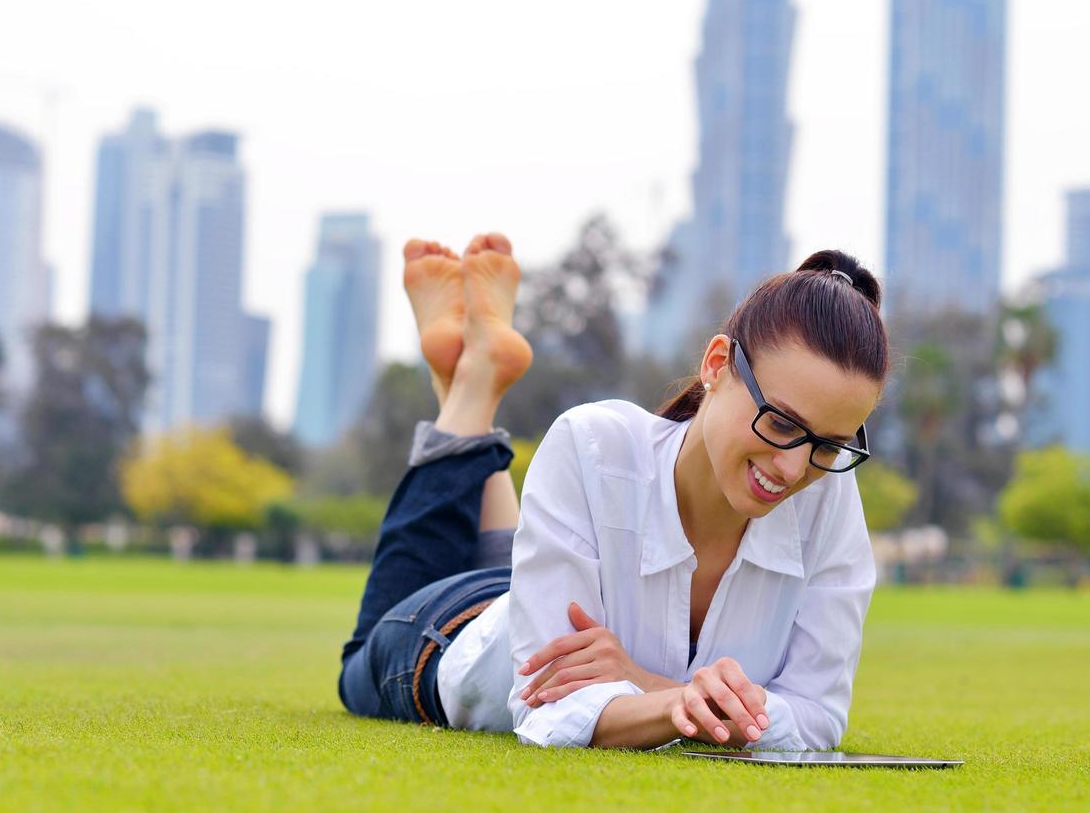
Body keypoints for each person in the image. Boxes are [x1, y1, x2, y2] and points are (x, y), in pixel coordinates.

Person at [338, 232, 890, 751]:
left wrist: (645, 682)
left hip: (527, 592)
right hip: (450, 636)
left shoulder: (828, 495)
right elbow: (550, 711)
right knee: (357, 663)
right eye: (781, 423)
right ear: (717, 365)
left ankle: (466, 377)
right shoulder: (595, 444)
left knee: (514, 578)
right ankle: (473, 382)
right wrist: (688, 703)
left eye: (829, 444)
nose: (795, 469)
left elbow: (819, 716)